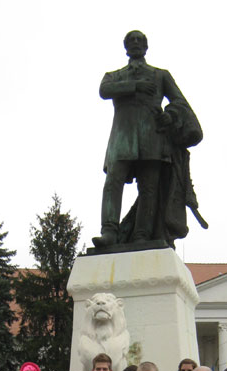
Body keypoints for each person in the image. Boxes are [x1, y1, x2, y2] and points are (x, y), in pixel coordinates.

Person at [94, 30, 204, 250]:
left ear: (146, 47)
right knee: (113, 183)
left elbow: (180, 102)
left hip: (152, 137)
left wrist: (170, 115)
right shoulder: (115, 76)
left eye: (140, 40)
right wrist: (135, 86)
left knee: (149, 188)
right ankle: (109, 232)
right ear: (126, 47)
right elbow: (104, 90)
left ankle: (142, 235)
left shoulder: (160, 75)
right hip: (122, 138)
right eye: (131, 40)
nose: (135, 43)